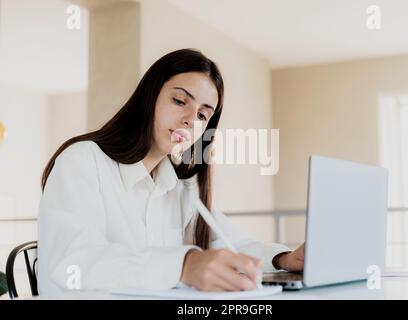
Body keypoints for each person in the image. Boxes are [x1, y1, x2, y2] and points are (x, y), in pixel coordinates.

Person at [37, 48, 305, 295]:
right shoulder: (82, 161)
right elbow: (73, 263)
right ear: (149, 96)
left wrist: (284, 259)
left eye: (203, 115)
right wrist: (184, 266)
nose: (191, 119)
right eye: (180, 101)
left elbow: (229, 242)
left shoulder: (180, 187)